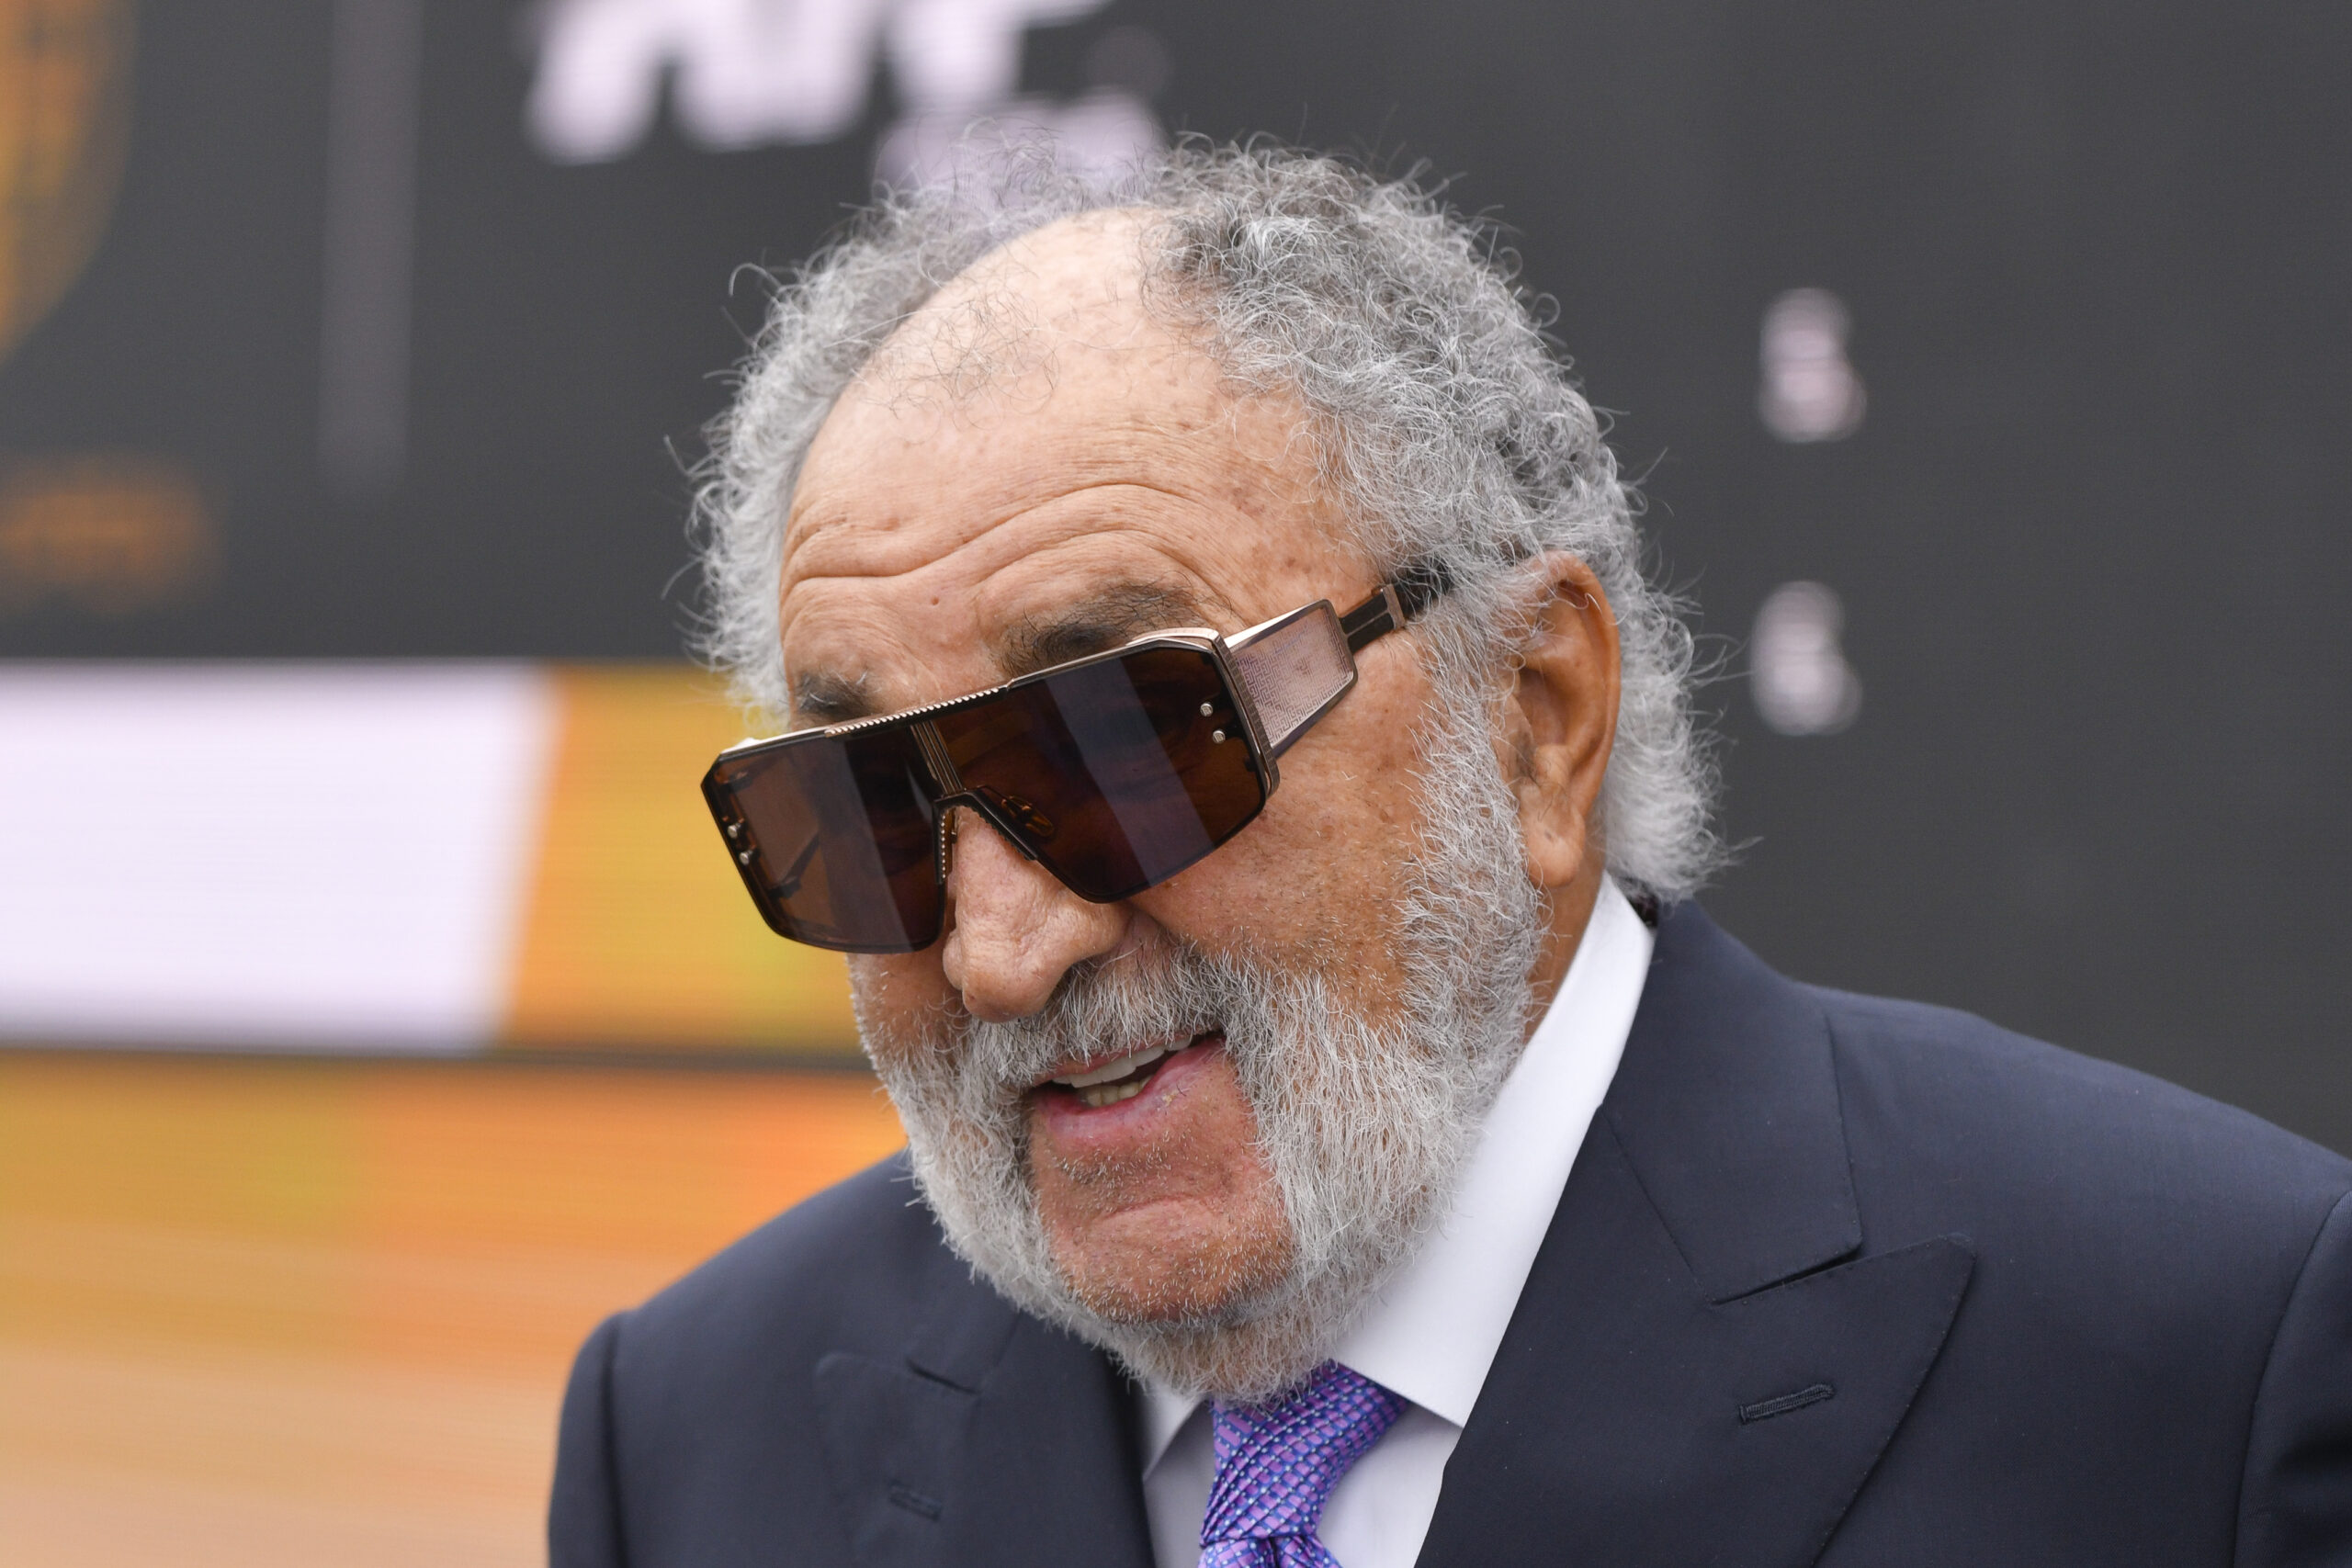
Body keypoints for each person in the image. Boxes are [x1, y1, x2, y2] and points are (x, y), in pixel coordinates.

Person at [548, 145, 2352, 1567]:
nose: (1005, 949)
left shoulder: (2198, 1360)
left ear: (1534, 713)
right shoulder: (691, 1435)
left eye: (1122, 743)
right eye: (865, 807)